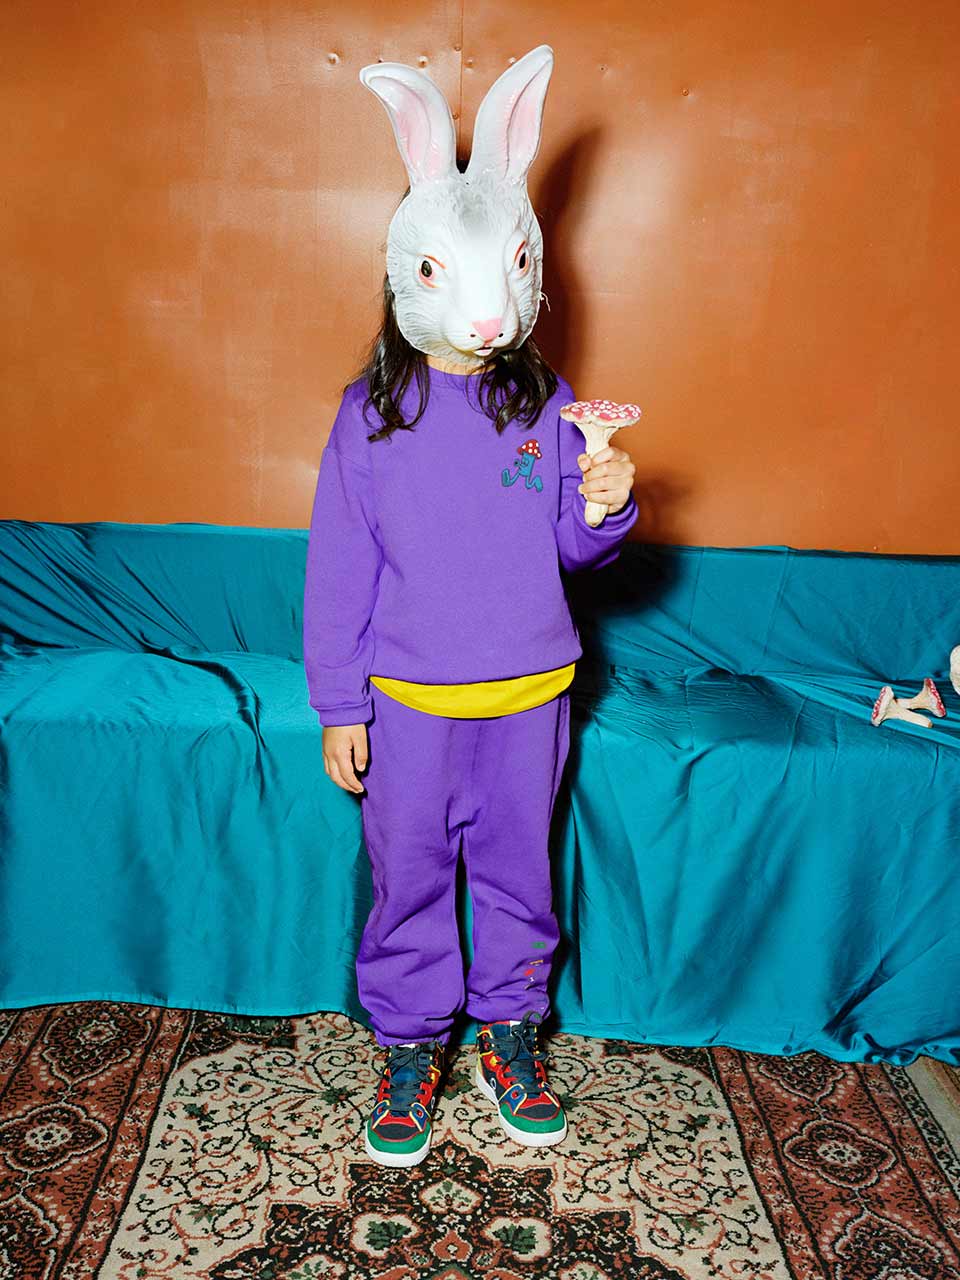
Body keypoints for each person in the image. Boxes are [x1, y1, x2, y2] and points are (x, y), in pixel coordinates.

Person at [302, 45, 639, 1168]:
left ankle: (511, 1028)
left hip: (532, 694)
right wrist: (339, 703)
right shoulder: (368, 414)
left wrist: (605, 504)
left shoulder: (548, 403)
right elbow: (338, 568)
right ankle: (409, 1040)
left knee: (517, 873)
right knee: (407, 875)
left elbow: (572, 548)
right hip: (409, 701)